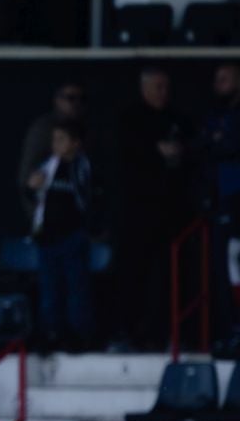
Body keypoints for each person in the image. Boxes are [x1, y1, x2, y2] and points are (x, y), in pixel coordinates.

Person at [115, 67, 196, 349]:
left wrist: (178, 153)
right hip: (137, 214)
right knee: (134, 274)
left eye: (166, 87)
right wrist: (154, 151)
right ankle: (129, 333)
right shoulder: (130, 120)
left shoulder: (178, 119)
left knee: (168, 276)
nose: (163, 93)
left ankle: (165, 334)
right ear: (144, 88)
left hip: (171, 215)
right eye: (157, 86)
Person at [30, 119, 101, 351]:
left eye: (61, 139)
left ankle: (79, 335)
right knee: (50, 290)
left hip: (73, 237)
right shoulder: (48, 166)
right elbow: (35, 196)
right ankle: (52, 333)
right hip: (48, 238)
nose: (56, 144)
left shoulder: (83, 167)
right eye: (54, 139)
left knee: (76, 289)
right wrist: (33, 185)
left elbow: (89, 198)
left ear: (75, 143)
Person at [201, 62, 240, 349]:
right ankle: (231, 330)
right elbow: (203, 146)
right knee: (224, 270)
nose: (219, 85)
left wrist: (221, 143)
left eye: (225, 79)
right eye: (217, 79)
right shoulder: (214, 115)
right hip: (223, 203)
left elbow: (227, 146)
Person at [17, 81, 87, 223]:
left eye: (82, 99)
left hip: (79, 226)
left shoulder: (85, 166)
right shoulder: (42, 130)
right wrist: (38, 221)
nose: (76, 103)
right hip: (51, 224)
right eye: (71, 98)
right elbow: (27, 183)